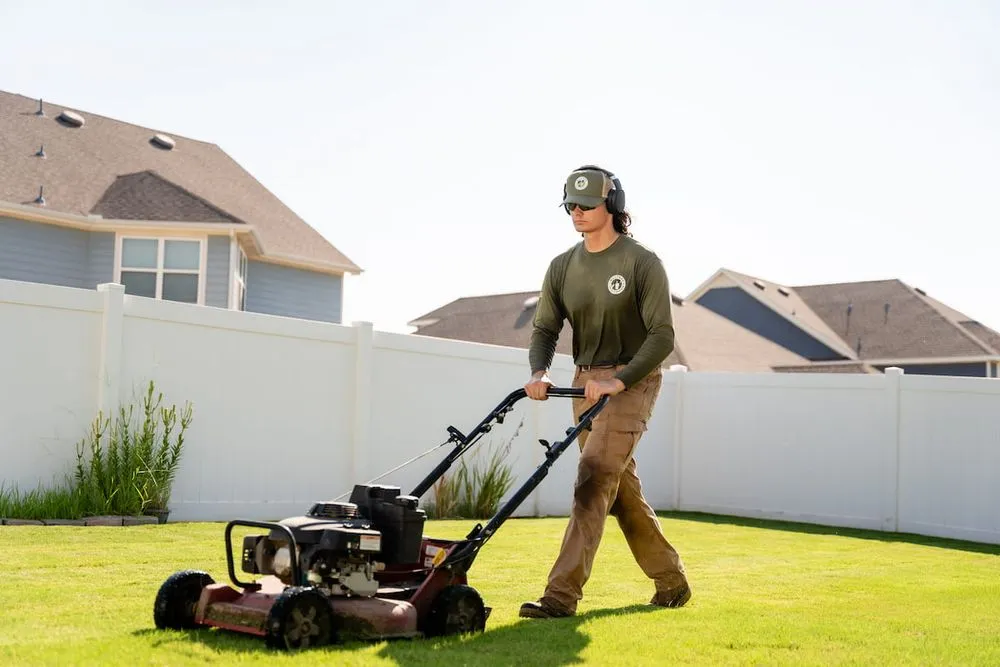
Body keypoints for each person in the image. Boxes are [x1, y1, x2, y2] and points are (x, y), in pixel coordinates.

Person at [518, 164, 691, 619]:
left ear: (611, 205)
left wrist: (620, 380)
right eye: (570, 206)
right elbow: (544, 328)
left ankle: (560, 597)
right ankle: (671, 581)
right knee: (618, 488)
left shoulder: (641, 262)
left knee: (592, 478)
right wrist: (539, 372)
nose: (577, 213)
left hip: (632, 380)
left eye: (587, 205)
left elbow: (662, 336)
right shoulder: (562, 267)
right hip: (583, 384)